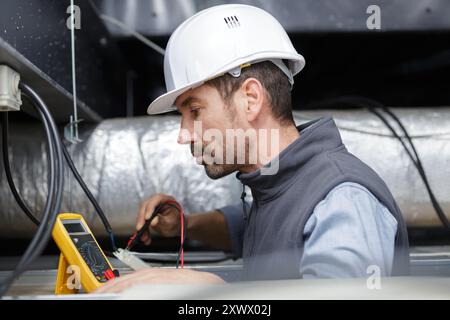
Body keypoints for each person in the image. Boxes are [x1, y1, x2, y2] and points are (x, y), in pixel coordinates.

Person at [96, 4, 409, 294]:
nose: (184, 135)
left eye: (195, 111)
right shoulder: (279, 185)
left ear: (251, 99)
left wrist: (216, 292)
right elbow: (254, 227)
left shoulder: (342, 199)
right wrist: (185, 225)